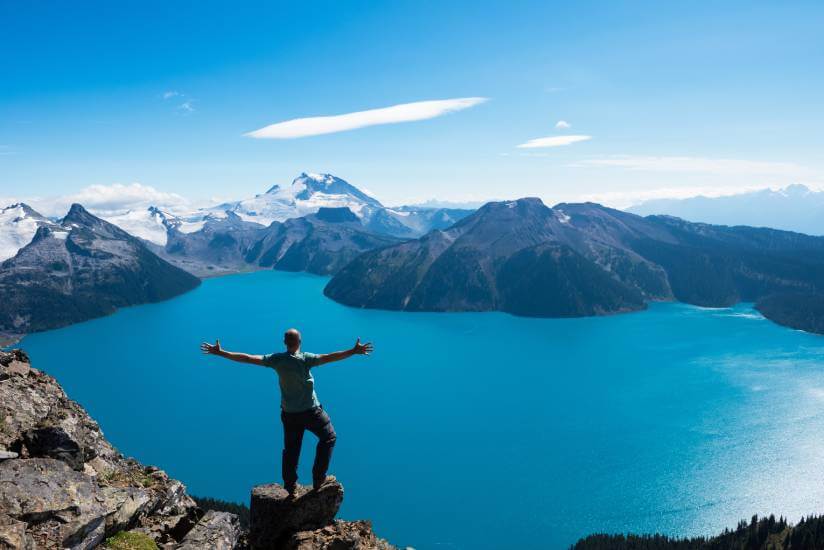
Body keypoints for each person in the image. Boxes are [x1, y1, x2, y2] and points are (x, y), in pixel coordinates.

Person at [200, 328, 373, 496]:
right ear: (300, 342)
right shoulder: (306, 359)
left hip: (289, 415)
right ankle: (319, 478)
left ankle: (290, 486)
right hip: (311, 412)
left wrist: (221, 353)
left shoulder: (277, 360)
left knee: (291, 450)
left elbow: (247, 358)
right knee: (329, 437)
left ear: (284, 343)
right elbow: (330, 357)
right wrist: (353, 351)